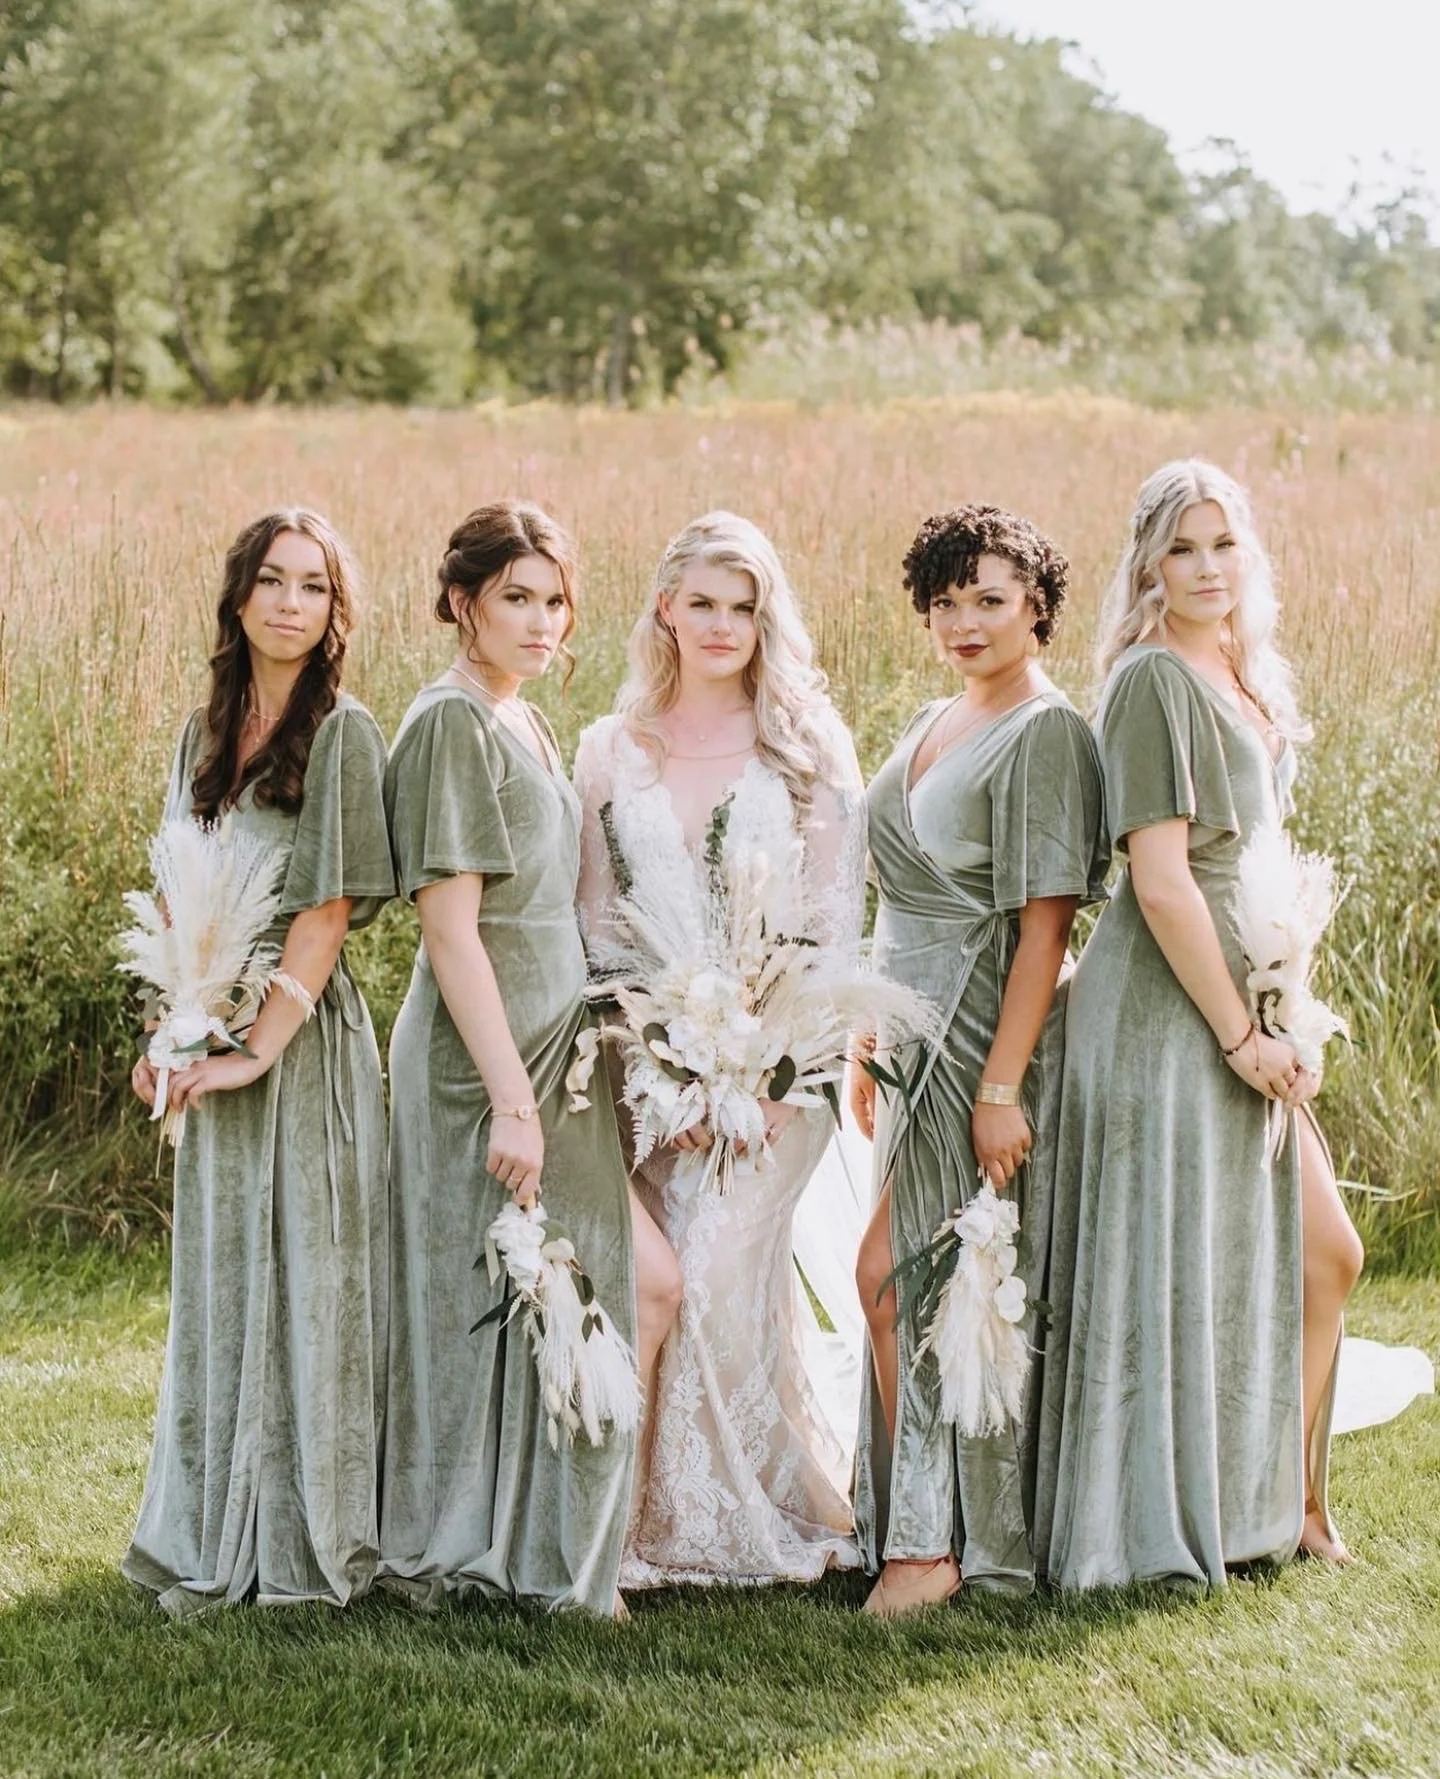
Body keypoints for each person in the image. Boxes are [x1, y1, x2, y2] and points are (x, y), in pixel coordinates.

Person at [1035, 459, 1364, 1591]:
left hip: (1251, 995)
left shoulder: (1240, 668)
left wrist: (1286, 995)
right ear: (1148, 564)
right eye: (1184, 548)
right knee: (1179, 1269)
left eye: (1224, 544)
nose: (1208, 567)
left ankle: (1295, 1496)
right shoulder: (1149, 683)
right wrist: (1238, 1034)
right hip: (1170, 1013)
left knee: (1325, 1255)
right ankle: (1164, 1510)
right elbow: (1163, 882)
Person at [378, 500, 680, 1618]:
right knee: (541, 1293)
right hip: (486, 1064)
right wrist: (512, 1101)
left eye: (556, 600)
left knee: (593, 1289)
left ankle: (551, 1549)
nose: (545, 621)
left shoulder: (522, 720)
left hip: (558, 1050)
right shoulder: (450, 726)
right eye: (518, 598)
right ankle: (498, 1553)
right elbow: (450, 931)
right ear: (462, 601)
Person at [574, 510, 865, 1588]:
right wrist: (658, 1069)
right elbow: (597, 932)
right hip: (649, 1074)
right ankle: (642, 1517)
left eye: (743, 606)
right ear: (665, 607)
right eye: (702, 602)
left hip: (787, 1075)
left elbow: (835, 929)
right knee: (669, 1272)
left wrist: (772, 1078)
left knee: (709, 1266)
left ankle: (739, 1512)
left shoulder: (806, 746)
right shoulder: (608, 750)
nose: (723, 624)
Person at [123, 508, 395, 1616]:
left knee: (310, 1282)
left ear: (336, 611)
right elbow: (181, 900)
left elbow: (324, 915)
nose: (291, 603)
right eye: (273, 581)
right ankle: (209, 1518)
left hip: (301, 1040)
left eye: (315, 587)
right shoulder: (199, 735)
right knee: (226, 1279)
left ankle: (305, 1532)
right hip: (214, 1035)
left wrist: (253, 1051)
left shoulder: (345, 734)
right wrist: (172, 1032)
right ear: (239, 597)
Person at [849, 505, 1108, 1616]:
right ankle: (916, 1520)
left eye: (989, 600)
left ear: (1038, 608)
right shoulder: (938, 712)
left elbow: (1045, 928)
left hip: (973, 1036)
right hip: (905, 1032)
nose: (963, 621)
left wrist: (1001, 1088)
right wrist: (863, 1027)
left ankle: (937, 1544)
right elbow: (896, 896)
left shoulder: (1049, 734)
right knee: (910, 1284)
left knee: (906, 1279)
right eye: (946, 601)